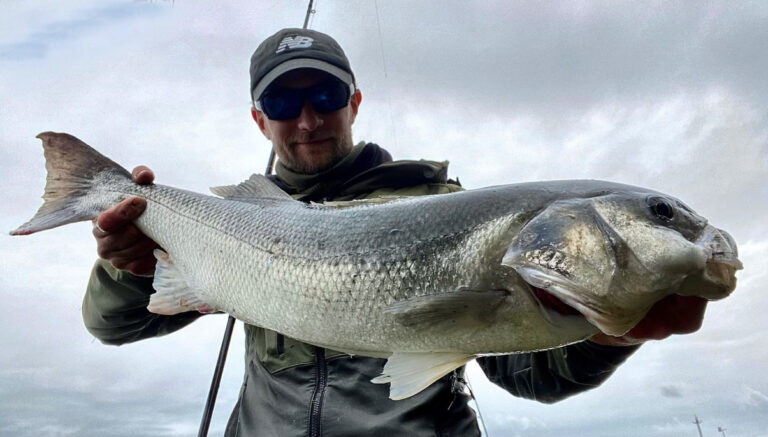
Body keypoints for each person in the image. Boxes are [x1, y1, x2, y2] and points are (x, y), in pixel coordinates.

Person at [83, 28, 709, 436]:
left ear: (354, 102)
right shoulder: (234, 224)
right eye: (281, 104)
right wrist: (122, 262)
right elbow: (113, 326)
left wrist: (610, 329)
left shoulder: (443, 205)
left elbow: (533, 377)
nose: (307, 119)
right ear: (258, 119)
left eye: (325, 93)